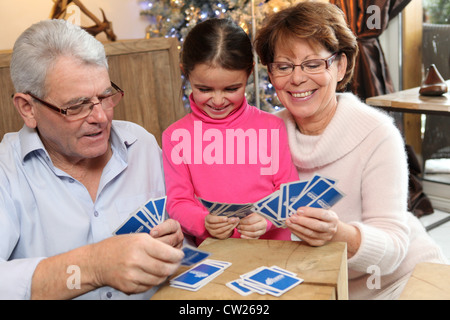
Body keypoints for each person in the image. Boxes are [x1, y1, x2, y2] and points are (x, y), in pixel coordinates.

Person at [254, 2, 448, 300]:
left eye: (313, 64)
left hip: (398, 279)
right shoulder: (262, 134)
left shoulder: (377, 134)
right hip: (316, 284)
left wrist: (340, 235)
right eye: (283, 66)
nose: (296, 78)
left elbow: (394, 246)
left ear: (341, 65)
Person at [0, 19, 184, 300]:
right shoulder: (6, 171)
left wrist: (177, 238)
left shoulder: (142, 145)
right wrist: (94, 266)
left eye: (105, 96)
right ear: (28, 108)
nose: (101, 117)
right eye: (76, 106)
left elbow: (185, 235)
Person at [162, 18, 299, 245]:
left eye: (231, 88)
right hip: (217, 255)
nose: (217, 101)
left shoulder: (271, 127)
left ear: (249, 74)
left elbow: (289, 190)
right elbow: (178, 201)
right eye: (204, 89)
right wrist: (203, 221)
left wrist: (268, 218)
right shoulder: (176, 137)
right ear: (185, 73)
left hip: (275, 250)